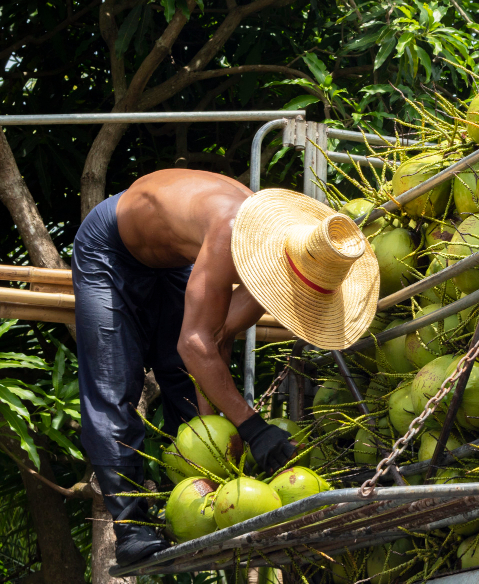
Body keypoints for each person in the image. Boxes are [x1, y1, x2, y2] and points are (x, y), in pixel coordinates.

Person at [72, 170, 379, 565]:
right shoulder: (234, 232)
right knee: (114, 383)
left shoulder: (283, 256)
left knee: (184, 379)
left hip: (171, 258)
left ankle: (189, 500)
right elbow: (194, 343)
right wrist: (254, 428)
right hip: (110, 247)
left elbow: (216, 340)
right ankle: (131, 526)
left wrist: (214, 434)